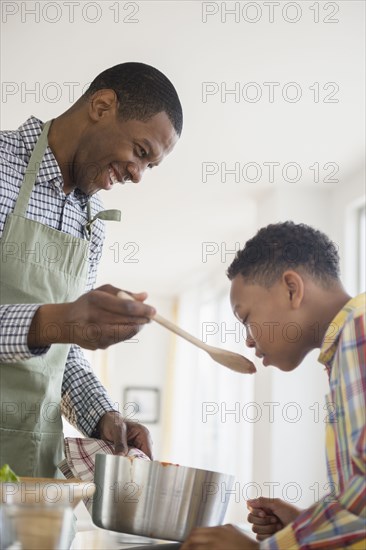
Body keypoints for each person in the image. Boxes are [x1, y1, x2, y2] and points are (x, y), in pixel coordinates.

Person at [0, 62, 183, 477]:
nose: (138, 176)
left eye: (149, 167)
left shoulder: (92, 222)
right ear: (102, 106)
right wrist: (58, 322)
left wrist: (104, 415)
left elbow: (62, 351)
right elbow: (55, 327)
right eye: (140, 153)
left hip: (31, 461)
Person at [181, 222, 365, 549]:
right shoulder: (345, 347)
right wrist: (304, 528)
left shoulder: (359, 334)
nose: (248, 340)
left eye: (246, 317)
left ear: (292, 289)